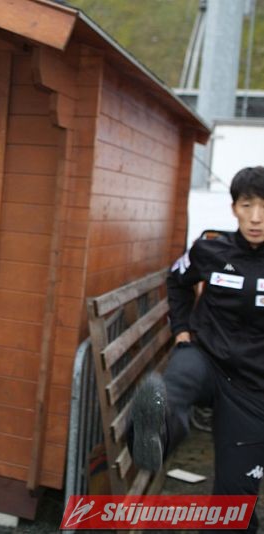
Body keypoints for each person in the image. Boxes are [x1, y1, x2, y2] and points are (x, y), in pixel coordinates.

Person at [130, 166, 264, 533]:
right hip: (205, 357)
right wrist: (182, 330)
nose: (256, 218)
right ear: (234, 208)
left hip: (253, 387)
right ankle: (155, 434)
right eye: (247, 205)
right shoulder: (209, 248)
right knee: (177, 380)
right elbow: (177, 281)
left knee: (235, 499)